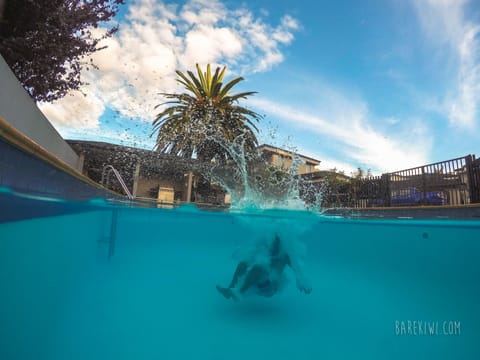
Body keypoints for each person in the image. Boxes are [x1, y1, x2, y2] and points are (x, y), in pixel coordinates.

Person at [216, 234, 312, 301]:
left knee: (258, 268)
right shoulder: (265, 249)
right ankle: (230, 289)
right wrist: (240, 253)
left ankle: (239, 292)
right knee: (243, 263)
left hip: (271, 288)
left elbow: (298, 271)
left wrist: (304, 284)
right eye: (272, 242)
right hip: (256, 283)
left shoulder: (285, 256)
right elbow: (246, 257)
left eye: (277, 242)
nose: (274, 245)